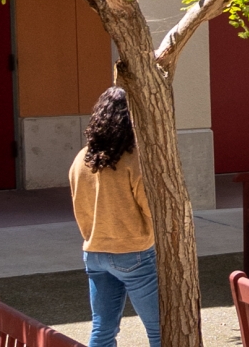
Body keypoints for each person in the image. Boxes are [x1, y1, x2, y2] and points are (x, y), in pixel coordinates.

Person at [69, 87, 160, 347]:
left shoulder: (81, 158)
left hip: (95, 253)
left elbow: (80, 207)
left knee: (103, 330)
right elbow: (152, 210)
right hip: (134, 252)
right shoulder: (134, 159)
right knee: (159, 331)